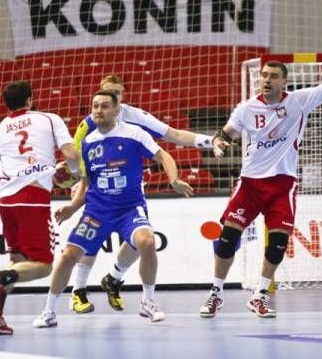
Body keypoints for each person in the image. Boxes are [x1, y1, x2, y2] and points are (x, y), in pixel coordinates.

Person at [199, 35, 322, 319]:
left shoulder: (298, 101)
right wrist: (220, 142)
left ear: (284, 81)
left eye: (273, 76)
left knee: (277, 245)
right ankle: (216, 293)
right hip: (250, 183)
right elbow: (226, 133)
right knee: (227, 239)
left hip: (282, 184)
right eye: (264, 76)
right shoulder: (247, 108)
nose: (267, 80)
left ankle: (259, 295)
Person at [32, 90, 193, 328]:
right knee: (68, 255)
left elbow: (164, 155)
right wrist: (72, 208)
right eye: (95, 106)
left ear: (117, 110)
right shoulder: (87, 142)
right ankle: (49, 312)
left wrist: (174, 180)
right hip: (97, 212)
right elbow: (87, 182)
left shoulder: (134, 133)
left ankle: (147, 302)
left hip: (130, 208)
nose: (98, 110)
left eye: (105, 106)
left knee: (147, 242)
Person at [65, 74, 214, 314]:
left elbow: (173, 135)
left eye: (117, 93)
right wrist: (76, 185)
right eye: (107, 92)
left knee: (138, 241)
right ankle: (79, 291)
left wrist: (209, 141)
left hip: (129, 189)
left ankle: (114, 277)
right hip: (97, 188)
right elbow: (73, 157)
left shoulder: (136, 118)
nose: (112, 97)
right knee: (89, 242)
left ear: (121, 98)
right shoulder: (89, 123)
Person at [0, 81, 80, 335]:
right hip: (33, 197)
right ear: (30, 100)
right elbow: (72, 154)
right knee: (44, 265)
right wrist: (74, 175)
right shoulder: (49, 119)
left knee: (18, 261)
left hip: (6, 200)